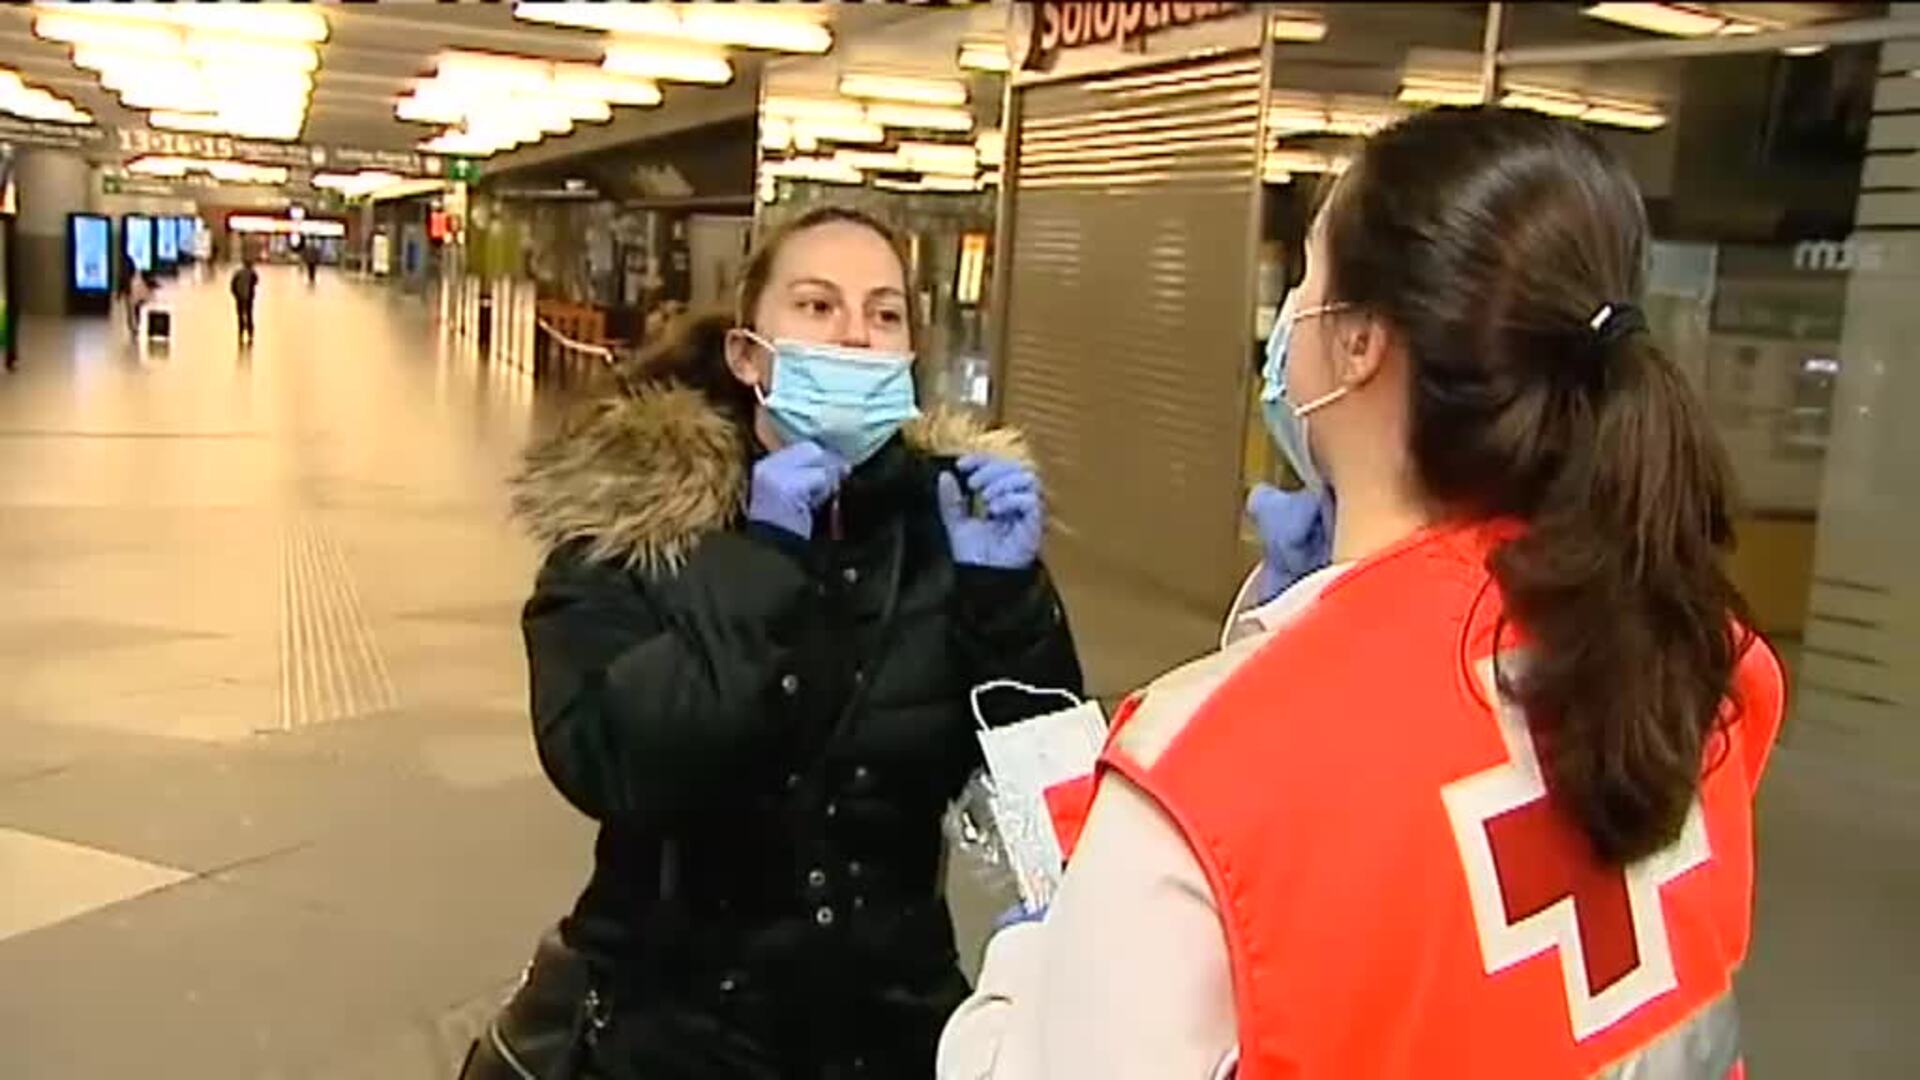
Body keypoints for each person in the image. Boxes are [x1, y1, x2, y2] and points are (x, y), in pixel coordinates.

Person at [938, 107, 1785, 1079]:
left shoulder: (1211, 769)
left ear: (1359, 345)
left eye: (1307, 274)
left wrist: (1031, 966)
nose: (1292, 310)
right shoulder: (1694, 652)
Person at [470, 206, 1083, 1079]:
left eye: (884, 314)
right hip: (671, 1034)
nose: (855, 338)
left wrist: (1009, 602)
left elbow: (1051, 805)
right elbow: (613, 761)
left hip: (890, 1037)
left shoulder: (949, 527)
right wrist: (764, 559)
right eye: (817, 306)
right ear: (749, 355)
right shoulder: (632, 531)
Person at [230, 254, 259, 344]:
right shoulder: (252, 273)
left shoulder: (238, 273)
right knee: (249, 316)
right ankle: (250, 335)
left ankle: (241, 334)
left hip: (239, 297)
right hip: (249, 297)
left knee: (240, 316)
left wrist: (235, 294)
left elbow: (233, 284)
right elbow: (256, 281)